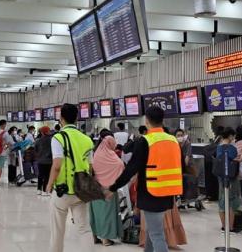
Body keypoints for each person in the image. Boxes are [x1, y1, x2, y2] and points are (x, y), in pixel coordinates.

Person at [109, 106, 183, 252]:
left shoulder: (145, 141)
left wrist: (114, 187)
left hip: (151, 192)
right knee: (152, 230)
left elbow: (131, 168)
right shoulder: (173, 140)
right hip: (169, 192)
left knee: (156, 234)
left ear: (147, 121)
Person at [46, 104, 95, 252]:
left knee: (58, 231)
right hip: (81, 190)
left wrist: (49, 184)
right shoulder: (87, 139)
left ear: (61, 119)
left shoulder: (58, 138)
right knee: (84, 229)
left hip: (63, 190)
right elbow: (91, 166)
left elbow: (57, 165)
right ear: (77, 118)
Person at [90, 135, 124, 246]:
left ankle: (94, 237)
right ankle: (105, 239)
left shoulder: (96, 154)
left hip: (95, 188)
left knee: (95, 214)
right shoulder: (111, 156)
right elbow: (120, 165)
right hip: (108, 189)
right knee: (107, 214)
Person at [216, 127, 242, 234]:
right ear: (231, 136)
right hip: (231, 177)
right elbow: (232, 160)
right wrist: (240, 159)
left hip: (221, 177)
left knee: (222, 201)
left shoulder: (219, 147)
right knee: (232, 202)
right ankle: (230, 227)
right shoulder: (232, 148)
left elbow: (221, 160)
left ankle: (223, 227)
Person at [204, 126, 224, 201]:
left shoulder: (216, 138)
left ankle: (210, 195)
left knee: (210, 179)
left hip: (209, 160)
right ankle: (214, 195)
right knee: (215, 180)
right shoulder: (221, 138)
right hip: (215, 161)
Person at [35, 126, 53, 196]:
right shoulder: (52, 140)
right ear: (48, 131)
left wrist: (39, 156)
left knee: (40, 175)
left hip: (40, 161)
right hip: (49, 161)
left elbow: (35, 150)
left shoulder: (38, 140)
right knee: (47, 176)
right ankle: (45, 191)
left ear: (42, 132)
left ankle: (39, 190)